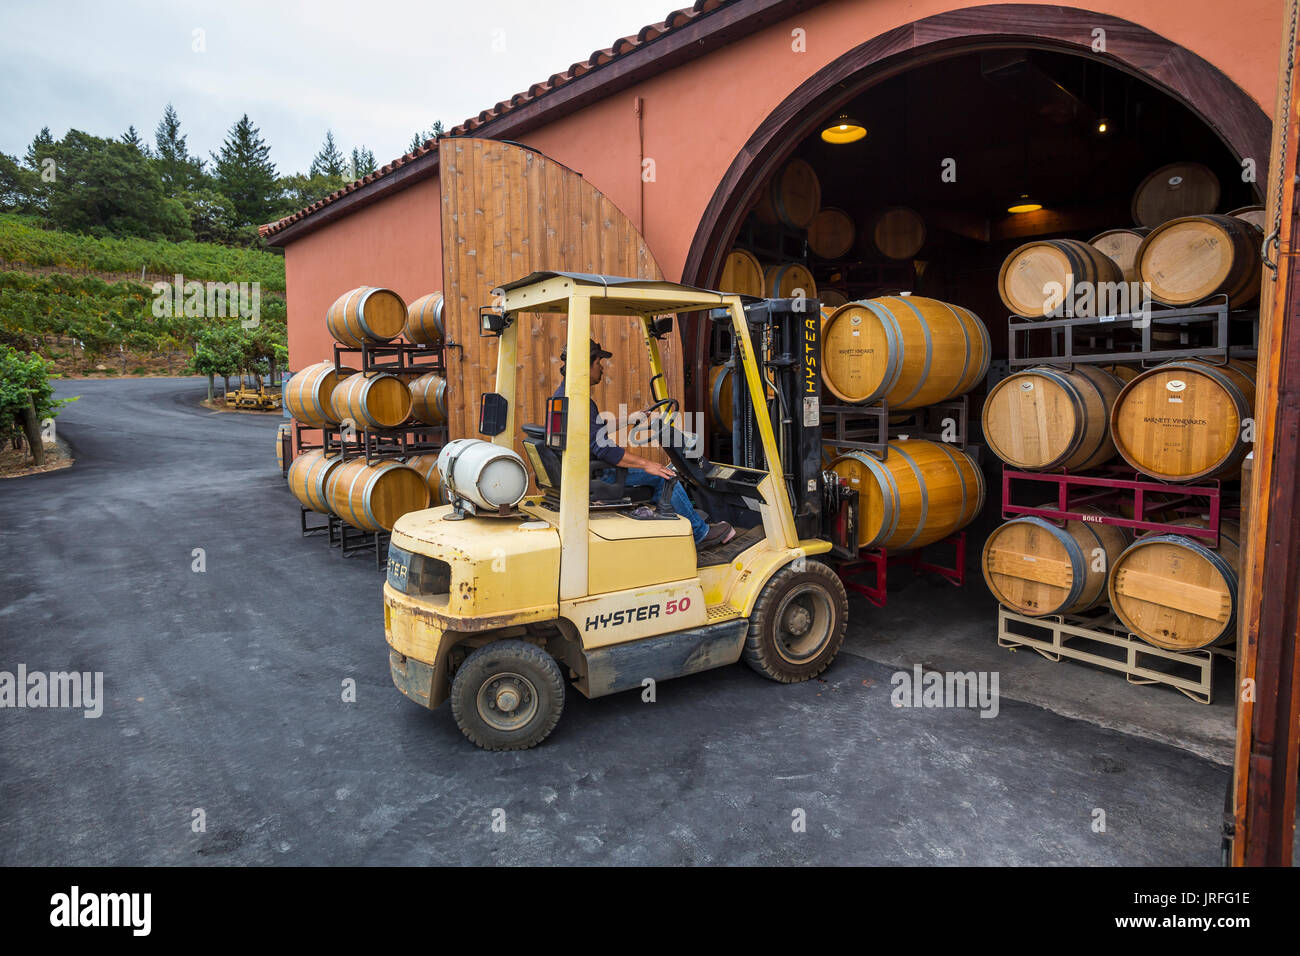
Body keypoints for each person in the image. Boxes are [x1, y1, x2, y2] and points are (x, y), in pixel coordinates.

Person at [554, 339, 736, 549]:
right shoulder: (579, 400)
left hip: (586, 471)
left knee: (659, 471)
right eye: (598, 363)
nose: (602, 368)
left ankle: (674, 527)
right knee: (665, 477)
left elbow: (593, 428)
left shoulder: (564, 396)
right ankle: (700, 534)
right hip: (600, 474)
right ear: (586, 366)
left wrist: (630, 419)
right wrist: (647, 465)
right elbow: (603, 449)